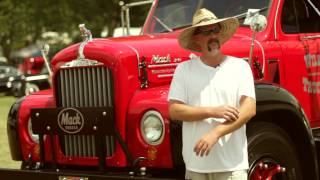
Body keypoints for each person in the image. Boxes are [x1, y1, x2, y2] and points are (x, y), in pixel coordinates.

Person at [168, 8, 256, 180]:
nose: (213, 35)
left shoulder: (240, 67)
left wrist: (216, 132)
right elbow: (174, 111)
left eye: (215, 30)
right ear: (196, 38)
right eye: (207, 32)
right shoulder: (183, 70)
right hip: (195, 167)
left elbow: (249, 109)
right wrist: (212, 111)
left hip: (232, 168)